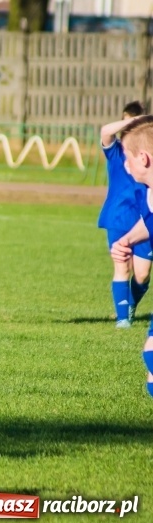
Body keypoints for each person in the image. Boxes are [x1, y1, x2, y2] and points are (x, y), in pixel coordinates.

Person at [111, 115, 153, 397]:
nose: (124, 165)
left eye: (128, 158)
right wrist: (127, 239)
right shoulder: (149, 194)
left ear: (144, 158)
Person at [98, 101, 150, 328]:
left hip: (143, 217)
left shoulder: (145, 154)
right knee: (122, 265)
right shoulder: (117, 152)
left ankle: (129, 305)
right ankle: (123, 319)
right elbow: (105, 131)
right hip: (118, 216)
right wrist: (133, 122)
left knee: (142, 275)